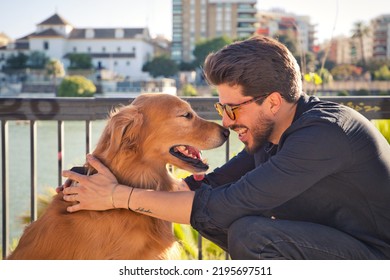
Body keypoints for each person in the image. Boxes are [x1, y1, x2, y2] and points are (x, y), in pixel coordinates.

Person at [62, 36, 390, 260]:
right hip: (337, 245)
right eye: (222, 109)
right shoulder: (269, 136)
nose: (227, 123)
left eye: (233, 109)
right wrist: (97, 182)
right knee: (225, 219)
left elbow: (222, 204)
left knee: (250, 232)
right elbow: (207, 186)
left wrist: (119, 197)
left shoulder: (322, 135)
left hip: (376, 257)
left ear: (273, 102)